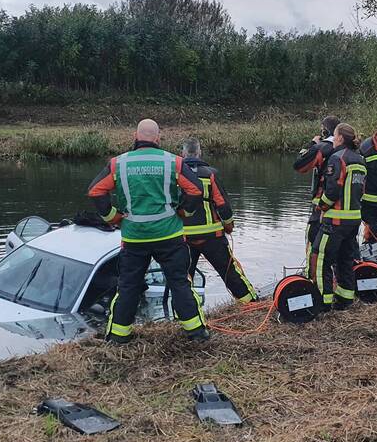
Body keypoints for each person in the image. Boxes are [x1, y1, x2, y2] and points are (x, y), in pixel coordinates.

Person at [87, 119, 209, 344]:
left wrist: (113, 217)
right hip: (169, 236)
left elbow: (95, 191)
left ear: (135, 136)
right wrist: (184, 213)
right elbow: (195, 189)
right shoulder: (173, 161)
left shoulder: (118, 164)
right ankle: (196, 332)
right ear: (158, 139)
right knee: (179, 282)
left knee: (128, 286)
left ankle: (118, 336)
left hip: (134, 238)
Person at [180, 137, 258, 303]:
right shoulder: (210, 174)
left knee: (183, 279)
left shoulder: (175, 176)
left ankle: (184, 316)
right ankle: (251, 304)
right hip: (211, 236)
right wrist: (229, 226)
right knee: (230, 272)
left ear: (183, 153)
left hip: (183, 237)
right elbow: (222, 205)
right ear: (199, 153)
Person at [308, 123, 365, 310]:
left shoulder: (336, 158)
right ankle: (345, 298)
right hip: (353, 219)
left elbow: (332, 190)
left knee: (319, 258)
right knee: (345, 259)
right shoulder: (360, 160)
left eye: (334, 136)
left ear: (339, 138)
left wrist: (321, 207)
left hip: (335, 220)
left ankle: (322, 302)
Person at [293, 115, 341, 248]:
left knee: (315, 246)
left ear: (325, 131)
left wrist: (313, 144)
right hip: (346, 212)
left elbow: (299, 165)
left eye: (322, 130)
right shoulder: (351, 151)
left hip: (322, 206)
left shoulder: (322, 147)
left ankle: (312, 268)